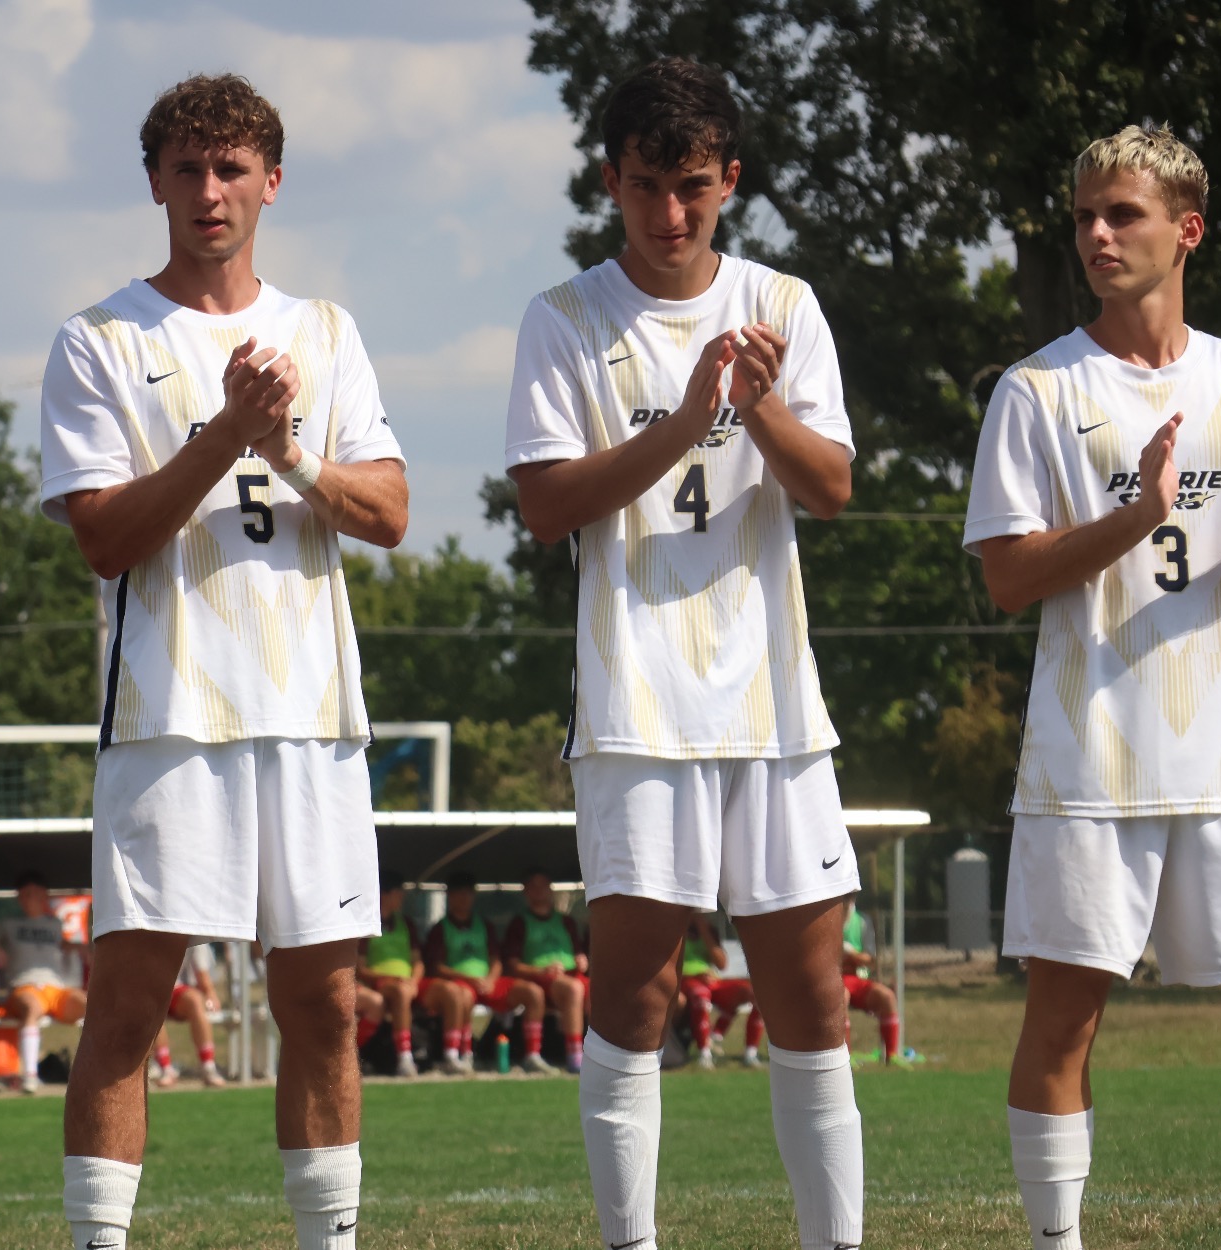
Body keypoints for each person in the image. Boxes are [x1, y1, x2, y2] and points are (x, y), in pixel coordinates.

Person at [38, 73, 407, 1250]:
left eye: (232, 166)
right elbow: (105, 537)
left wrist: (288, 454)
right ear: (152, 180)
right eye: (187, 167)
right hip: (170, 719)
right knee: (129, 1006)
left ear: (270, 183)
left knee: (323, 1004)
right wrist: (220, 435)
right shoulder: (97, 337)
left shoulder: (328, 330)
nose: (209, 190)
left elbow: (390, 511)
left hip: (309, 716)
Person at [504, 57, 865, 1250]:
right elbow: (548, 505)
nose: (670, 215)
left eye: (694, 190)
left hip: (770, 705)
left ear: (731, 183)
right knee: (634, 993)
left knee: (812, 995)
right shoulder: (564, 318)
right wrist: (680, 419)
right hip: (635, 704)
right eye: (647, 187)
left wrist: (753, 404)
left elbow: (829, 490)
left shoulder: (784, 306)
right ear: (608, 180)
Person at [965, 126, 1221, 1250]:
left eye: (1119, 213)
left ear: (1187, 229)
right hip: (1090, 751)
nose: (1094, 235)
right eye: (1082, 215)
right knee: (1065, 1014)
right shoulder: (1033, 390)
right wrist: (1134, 515)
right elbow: (1007, 579)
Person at [421, 872, 556, 1076]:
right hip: (460, 983)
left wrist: (491, 979)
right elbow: (436, 967)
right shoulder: (440, 928)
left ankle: (533, 1055)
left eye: (468, 894)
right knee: (461, 994)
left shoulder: (484, 925)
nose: (464, 899)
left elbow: (496, 960)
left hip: (487, 982)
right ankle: (456, 1055)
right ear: (450, 897)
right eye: (459, 894)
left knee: (533, 992)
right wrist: (469, 980)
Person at [0, 870, 88, 1094]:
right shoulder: (8, 924)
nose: (28, 899)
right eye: (24, 895)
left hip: (56, 989)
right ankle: (30, 1076)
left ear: (44, 896)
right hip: (24, 986)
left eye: (33, 894)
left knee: (90, 1004)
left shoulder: (55, 925)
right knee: (32, 1007)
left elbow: (64, 946)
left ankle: (97, 1072)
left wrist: (80, 949)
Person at [501, 868, 591, 1072]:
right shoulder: (520, 923)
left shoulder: (566, 921)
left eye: (544, 886)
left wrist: (581, 960)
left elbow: (579, 952)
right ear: (526, 892)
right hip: (542, 979)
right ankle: (575, 1055)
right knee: (573, 989)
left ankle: (605, 1053)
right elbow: (513, 964)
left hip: (571, 975)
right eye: (534, 887)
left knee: (600, 991)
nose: (540, 891)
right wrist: (541, 970)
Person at [357, 869, 426, 1077]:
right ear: (383, 894)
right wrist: (390, 979)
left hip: (408, 983)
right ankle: (405, 1058)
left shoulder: (406, 924)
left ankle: (457, 1054)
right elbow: (360, 968)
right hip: (380, 983)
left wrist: (413, 981)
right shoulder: (367, 923)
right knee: (399, 993)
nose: (402, 897)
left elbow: (418, 961)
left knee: (457, 993)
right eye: (398, 892)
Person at [838, 902, 903, 1067]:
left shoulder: (862, 921)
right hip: (835, 979)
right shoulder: (827, 919)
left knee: (887, 996)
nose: (848, 900)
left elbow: (870, 960)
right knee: (841, 997)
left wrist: (852, 954)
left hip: (857, 979)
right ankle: (845, 1057)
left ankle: (891, 1055)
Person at [155, 943, 227, 1088]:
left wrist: (210, 994)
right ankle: (165, 1068)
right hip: (149, 991)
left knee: (195, 1000)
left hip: (176, 989)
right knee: (153, 1006)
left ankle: (208, 1066)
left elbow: (202, 976)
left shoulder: (192, 931)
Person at [677, 913, 728, 1070]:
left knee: (747, 992)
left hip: (708, 980)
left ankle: (716, 1035)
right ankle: (704, 1053)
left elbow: (721, 964)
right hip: (686, 982)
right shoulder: (675, 929)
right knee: (700, 994)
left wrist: (703, 927)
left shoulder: (708, 930)